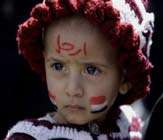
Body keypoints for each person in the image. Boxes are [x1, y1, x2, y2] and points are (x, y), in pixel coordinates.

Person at [5, 0, 154, 139]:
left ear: (125, 77)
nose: (72, 89)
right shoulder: (30, 136)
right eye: (58, 66)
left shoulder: (129, 127)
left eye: (91, 70)